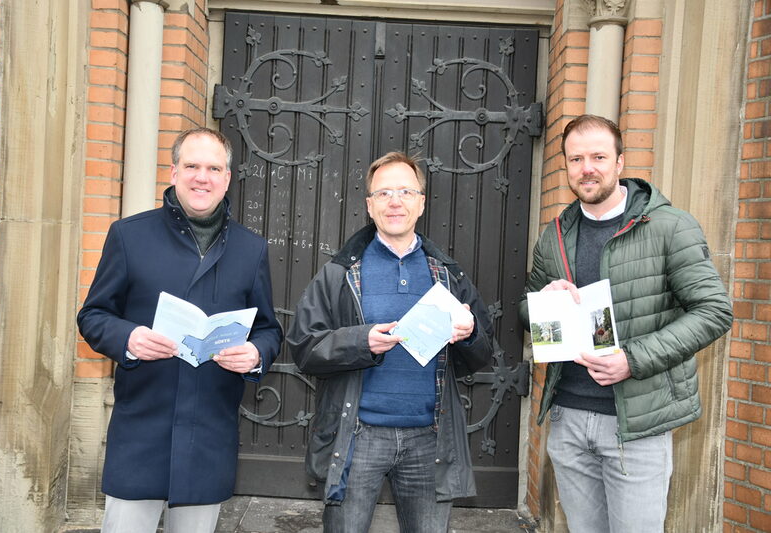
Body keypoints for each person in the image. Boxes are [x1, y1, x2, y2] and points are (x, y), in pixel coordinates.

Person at [518, 114, 732, 533]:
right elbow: (528, 314)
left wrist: (632, 359)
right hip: (568, 419)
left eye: (598, 156)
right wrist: (543, 303)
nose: (587, 168)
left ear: (620, 162)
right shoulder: (556, 233)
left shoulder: (670, 226)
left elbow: (714, 311)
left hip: (637, 423)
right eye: (576, 159)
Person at [77, 127, 282, 533]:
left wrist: (256, 354)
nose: (201, 177)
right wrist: (128, 339)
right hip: (141, 431)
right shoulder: (129, 235)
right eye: (191, 166)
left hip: (207, 435)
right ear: (173, 172)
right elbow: (93, 315)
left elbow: (269, 330)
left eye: (213, 168)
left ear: (227, 178)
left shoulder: (251, 248)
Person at [287, 152, 494, 533]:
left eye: (404, 192)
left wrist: (470, 334)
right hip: (357, 436)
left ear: (421, 202)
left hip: (430, 440)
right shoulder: (340, 272)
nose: (394, 201)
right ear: (369, 205)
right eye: (383, 194)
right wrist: (360, 341)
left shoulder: (448, 275)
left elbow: (482, 355)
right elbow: (303, 347)